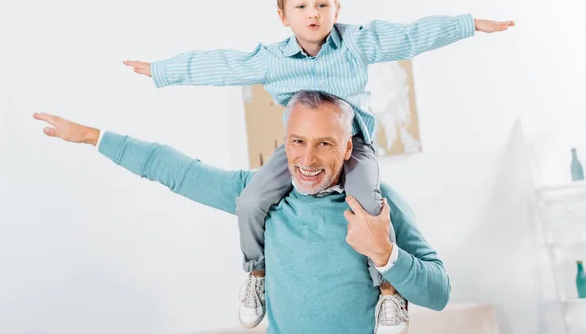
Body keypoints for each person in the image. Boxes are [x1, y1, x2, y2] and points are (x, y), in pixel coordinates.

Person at [122, 0, 514, 331]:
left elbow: (410, 36)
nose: (313, 14)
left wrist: (470, 24)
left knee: (369, 204)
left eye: (323, 5)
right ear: (283, 15)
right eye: (302, 6)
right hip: (298, 156)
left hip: (356, 145)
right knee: (250, 199)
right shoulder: (272, 61)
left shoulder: (356, 42)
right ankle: (256, 274)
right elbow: (222, 65)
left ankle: (389, 293)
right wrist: (162, 70)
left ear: (337, 8)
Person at [35, 90, 450, 334]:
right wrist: (94, 137)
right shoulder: (260, 196)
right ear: (283, 141)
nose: (306, 159)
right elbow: (176, 170)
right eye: (296, 141)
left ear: (348, 148)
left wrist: (385, 255)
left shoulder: (379, 204)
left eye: (324, 143)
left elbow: (440, 292)